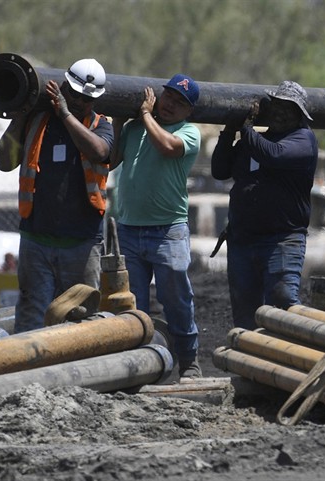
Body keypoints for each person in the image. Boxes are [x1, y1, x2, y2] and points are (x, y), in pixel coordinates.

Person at [0, 58, 114, 333]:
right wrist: (22, 114)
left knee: (80, 319)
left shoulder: (100, 125)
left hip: (81, 242)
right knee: (31, 316)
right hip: (37, 239)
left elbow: (99, 152)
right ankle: (28, 372)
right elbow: (3, 160)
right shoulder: (36, 123)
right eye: (74, 95)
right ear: (62, 87)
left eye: (86, 99)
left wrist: (65, 114)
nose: (79, 102)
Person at [110, 74, 202, 378]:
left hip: (168, 230)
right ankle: (135, 366)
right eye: (170, 96)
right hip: (128, 227)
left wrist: (147, 114)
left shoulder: (188, 131)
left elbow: (167, 147)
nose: (172, 105)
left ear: (189, 111)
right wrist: (119, 123)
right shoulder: (136, 127)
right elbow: (110, 161)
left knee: (176, 298)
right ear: (159, 95)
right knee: (131, 302)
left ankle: (189, 362)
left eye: (181, 102)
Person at [211, 80, 318, 331]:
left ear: (299, 115)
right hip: (242, 241)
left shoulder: (302, 140)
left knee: (282, 307)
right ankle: (249, 367)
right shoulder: (254, 141)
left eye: (288, 109)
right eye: (277, 106)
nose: (280, 113)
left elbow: (273, 155)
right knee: (245, 314)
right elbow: (219, 170)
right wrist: (228, 132)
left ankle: (286, 363)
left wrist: (246, 127)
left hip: (280, 241)